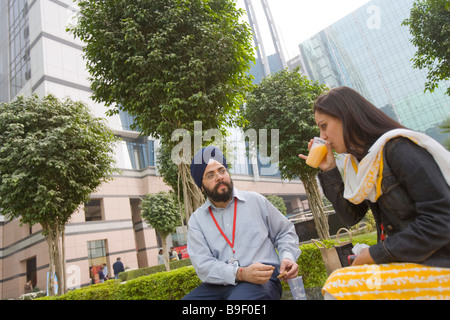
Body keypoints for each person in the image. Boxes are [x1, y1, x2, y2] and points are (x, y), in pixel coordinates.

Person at [299, 86, 450, 300]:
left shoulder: (398, 148)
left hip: (439, 262)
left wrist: (373, 254)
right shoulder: (361, 163)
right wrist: (329, 169)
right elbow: (351, 217)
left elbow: (442, 220)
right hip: (408, 263)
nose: (322, 136)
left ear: (346, 117)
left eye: (324, 126)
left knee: (338, 285)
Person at [182, 146, 301, 300]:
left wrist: (287, 256)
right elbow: (203, 265)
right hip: (219, 285)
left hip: (261, 279)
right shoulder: (197, 220)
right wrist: (240, 273)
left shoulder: (255, 200)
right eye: (210, 175)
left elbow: (284, 232)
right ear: (202, 187)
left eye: (222, 170)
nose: (219, 177)